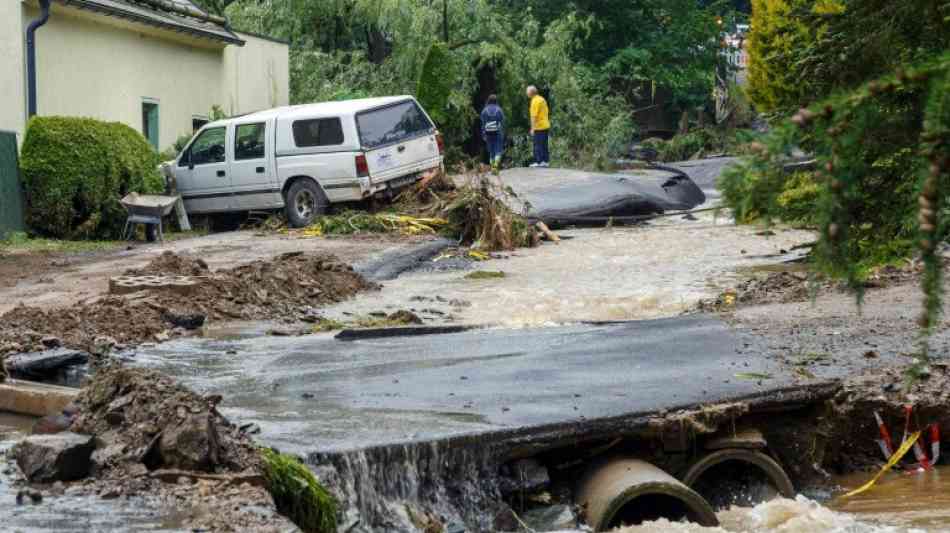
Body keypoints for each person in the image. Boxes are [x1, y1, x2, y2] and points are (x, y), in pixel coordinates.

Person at [480, 94, 505, 173]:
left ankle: (492, 167)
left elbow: (483, 124)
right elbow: (503, 122)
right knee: (498, 150)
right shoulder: (499, 110)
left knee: (491, 151)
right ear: (496, 101)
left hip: (488, 133)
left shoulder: (484, 111)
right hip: (498, 133)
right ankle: (495, 166)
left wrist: (483, 134)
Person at [526, 85, 550, 167]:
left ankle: (538, 161)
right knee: (544, 144)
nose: (526, 93)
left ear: (530, 93)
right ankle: (545, 161)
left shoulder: (534, 101)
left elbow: (534, 116)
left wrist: (532, 128)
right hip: (545, 125)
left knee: (537, 144)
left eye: (527, 91)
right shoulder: (542, 99)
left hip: (539, 126)